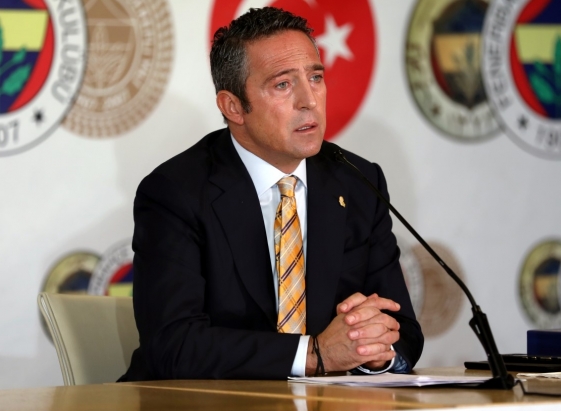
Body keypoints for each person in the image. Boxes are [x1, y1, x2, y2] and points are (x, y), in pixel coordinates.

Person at [120, 7, 423, 381]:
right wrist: (314, 354)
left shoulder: (358, 181)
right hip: (202, 405)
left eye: (315, 78)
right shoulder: (176, 192)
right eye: (283, 85)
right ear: (234, 107)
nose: (309, 100)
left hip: (327, 406)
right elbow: (173, 344)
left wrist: (373, 349)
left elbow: (402, 328)